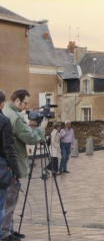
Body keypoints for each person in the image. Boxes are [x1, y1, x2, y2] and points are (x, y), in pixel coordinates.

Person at [2, 89, 47, 241]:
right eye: (25, 103)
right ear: (17, 101)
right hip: (11, 164)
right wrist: (41, 129)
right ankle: (6, 232)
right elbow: (29, 137)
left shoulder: (8, 112)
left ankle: (9, 229)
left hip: (8, 164)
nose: (27, 106)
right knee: (10, 199)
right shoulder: (13, 116)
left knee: (9, 199)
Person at [0, 90, 22, 241]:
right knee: (0, 204)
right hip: (1, 167)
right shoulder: (4, 121)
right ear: (1, 104)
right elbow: (9, 149)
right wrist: (16, 171)